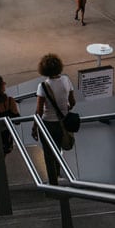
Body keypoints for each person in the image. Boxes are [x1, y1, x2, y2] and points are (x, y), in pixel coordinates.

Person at [34, 53, 76, 185]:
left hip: (47, 124)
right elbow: (72, 102)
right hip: (62, 123)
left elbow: (39, 110)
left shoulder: (43, 86)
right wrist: (64, 110)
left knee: (48, 154)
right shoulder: (66, 80)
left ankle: (53, 185)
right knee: (58, 150)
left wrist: (35, 126)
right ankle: (57, 174)